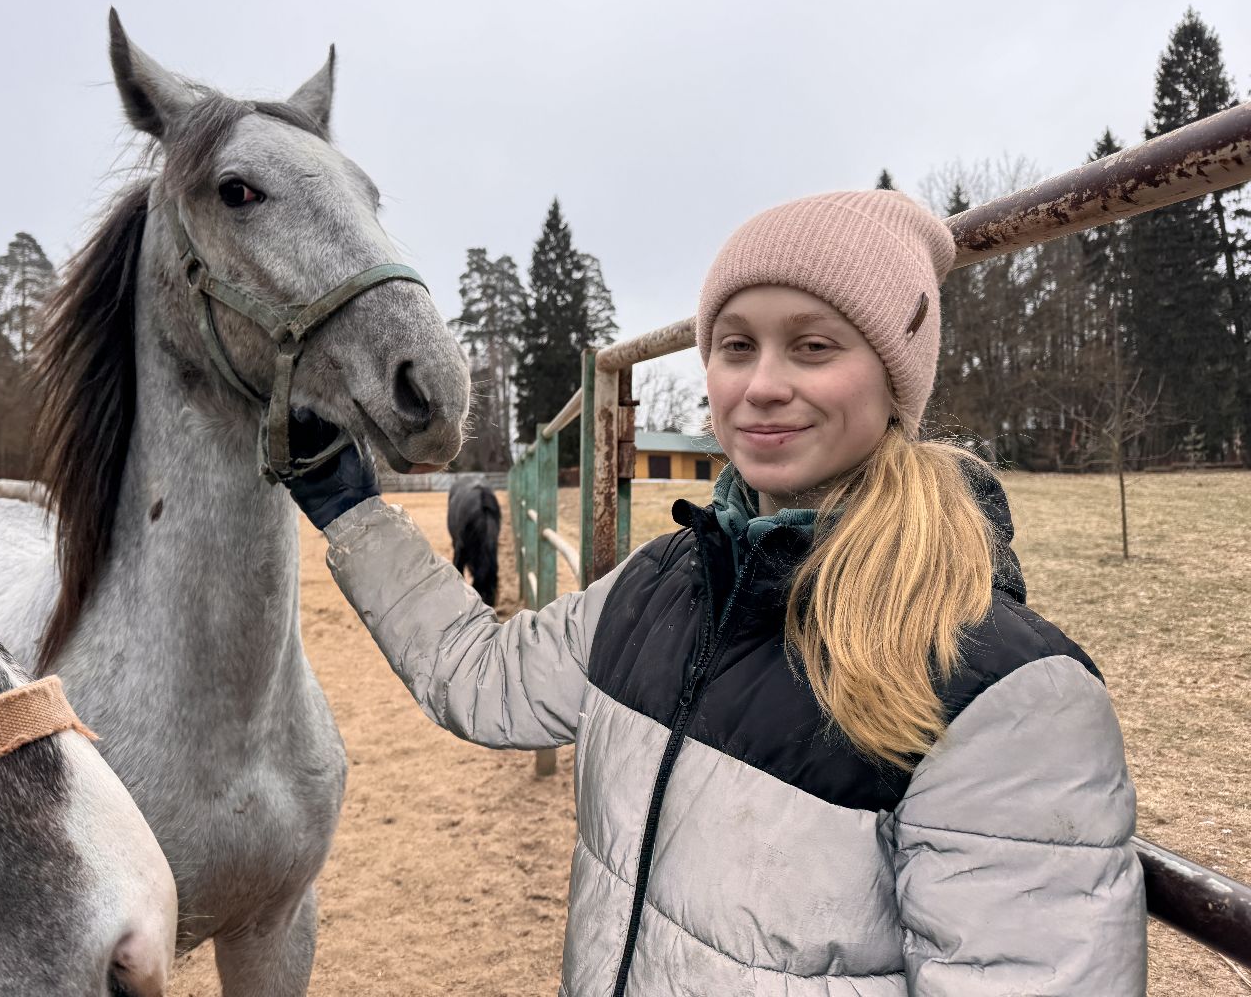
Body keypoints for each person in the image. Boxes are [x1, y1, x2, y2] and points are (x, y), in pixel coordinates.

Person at [282, 190, 1147, 995]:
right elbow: (484, 676)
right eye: (736, 345)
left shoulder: (1006, 697)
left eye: (814, 345)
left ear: (896, 380)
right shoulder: (662, 585)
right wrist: (350, 510)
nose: (762, 384)